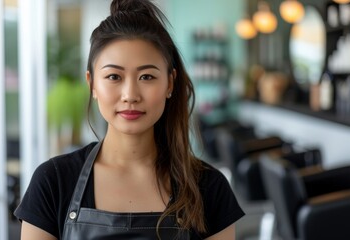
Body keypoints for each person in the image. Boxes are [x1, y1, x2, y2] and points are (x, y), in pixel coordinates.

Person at [14, 0, 245, 239]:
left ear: (170, 83)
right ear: (92, 84)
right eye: (114, 76)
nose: (130, 95)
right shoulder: (53, 182)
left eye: (146, 76)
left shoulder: (208, 187)